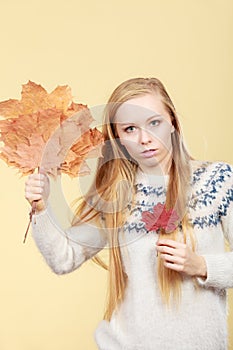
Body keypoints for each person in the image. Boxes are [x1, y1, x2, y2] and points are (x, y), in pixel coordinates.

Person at [25, 77, 233, 350]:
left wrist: (202, 266)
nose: (145, 139)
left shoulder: (217, 180)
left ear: (172, 121)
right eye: (130, 128)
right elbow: (64, 259)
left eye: (154, 123)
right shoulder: (115, 194)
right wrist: (42, 209)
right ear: (118, 137)